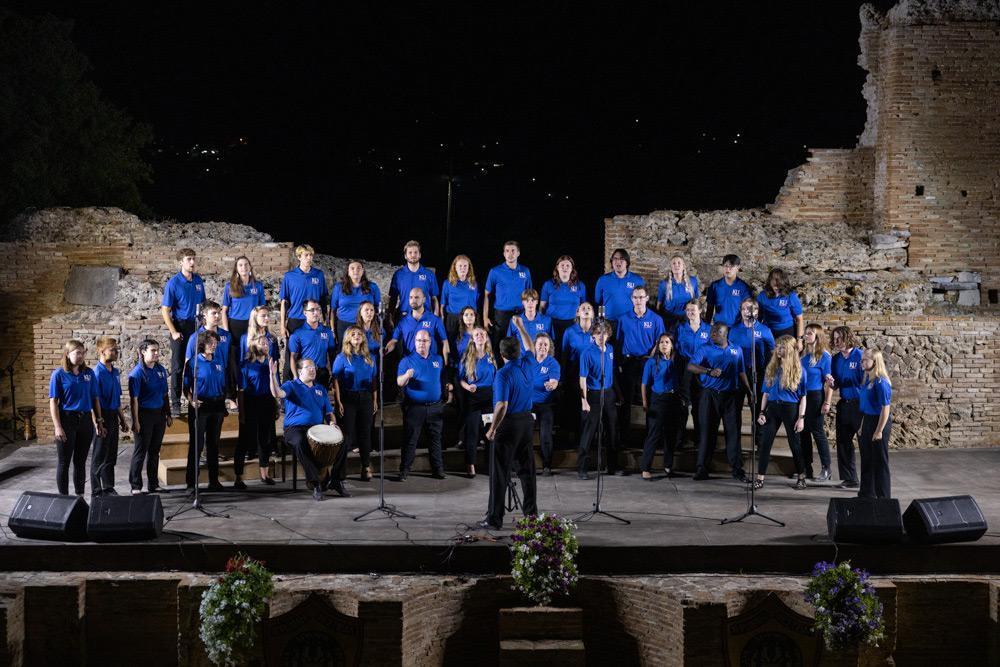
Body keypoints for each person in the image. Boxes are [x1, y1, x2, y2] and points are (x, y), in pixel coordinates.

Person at [480, 316, 540, 530]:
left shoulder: (502, 374)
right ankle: (531, 516)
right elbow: (531, 347)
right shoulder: (528, 363)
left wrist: (492, 429)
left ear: (502, 354)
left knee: (499, 473)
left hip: (509, 425)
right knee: (527, 471)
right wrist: (521, 327)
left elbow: (501, 406)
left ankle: (494, 519)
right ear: (518, 351)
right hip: (526, 422)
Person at [269, 357, 347, 501]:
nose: (312, 369)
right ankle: (316, 483)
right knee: (300, 441)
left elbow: (329, 413)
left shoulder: (320, 389)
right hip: (294, 429)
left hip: (317, 428)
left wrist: (332, 423)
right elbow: (277, 393)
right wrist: (272, 375)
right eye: (308, 367)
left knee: (343, 440)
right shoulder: (292, 385)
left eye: (314, 367)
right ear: (299, 371)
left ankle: (336, 480)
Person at [688, 323, 751, 482]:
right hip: (710, 395)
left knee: (733, 433)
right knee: (707, 433)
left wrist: (749, 390)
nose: (713, 334)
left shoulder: (737, 350)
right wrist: (708, 371)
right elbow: (691, 366)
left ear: (725, 334)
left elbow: (741, 371)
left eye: (717, 332)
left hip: (730, 396)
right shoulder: (705, 348)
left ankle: (737, 469)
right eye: (712, 331)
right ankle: (702, 469)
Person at [183, 331, 236, 492]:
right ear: (202, 344)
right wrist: (191, 400)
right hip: (201, 406)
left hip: (217, 406)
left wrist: (226, 400)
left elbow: (223, 384)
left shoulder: (219, 361)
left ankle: (214, 481)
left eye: (215, 342)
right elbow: (186, 387)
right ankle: (192, 483)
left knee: (214, 444)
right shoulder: (193, 363)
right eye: (210, 342)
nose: (214, 345)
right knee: (197, 445)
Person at [49, 340, 101, 495]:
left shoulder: (89, 373)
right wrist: (58, 426)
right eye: (77, 353)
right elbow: (53, 402)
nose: (81, 356)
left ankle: (80, 496)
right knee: (64, 462)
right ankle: (63, 498)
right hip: (67, 420)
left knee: (80, 462)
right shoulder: (59, 374)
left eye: (83, 353)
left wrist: (98, 421)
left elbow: (95, 399)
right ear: (67, 354)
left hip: (85, 420)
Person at [755, 336, 807, 490]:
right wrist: (761, 412)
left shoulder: (800, 371)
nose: (778, 350)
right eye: (777, 346)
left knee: (795, 444)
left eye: (782, 347)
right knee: (765, 443)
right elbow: (765, 394)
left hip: (790, 409)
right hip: (772, 408)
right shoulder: (772, 368)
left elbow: (803, 397)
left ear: (790, 349)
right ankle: (760, 478)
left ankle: (801, 477)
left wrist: (801, 418)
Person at [615, 285, 666, 443]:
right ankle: (623, 438)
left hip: (647, 362)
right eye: (635, 297)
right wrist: (620, 363)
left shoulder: (656, 319)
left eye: (641, 297)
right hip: (629, 362)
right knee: (626, 400)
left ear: (647, 298)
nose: (638, 300)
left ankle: (651, 438)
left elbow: (660, 341)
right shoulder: (623, 319)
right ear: (632, 299)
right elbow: (619, 341)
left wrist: (652, 358)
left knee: (649, 399)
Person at [396, 329, 447, 480]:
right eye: (418, 340)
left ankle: (438, 470)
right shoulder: (407, 361)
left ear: (430, 342)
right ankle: (404, 470)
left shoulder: (438, 359)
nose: (421, 343)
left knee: (435, 440)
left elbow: (441, 378)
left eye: (425, 341)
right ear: (414, 342)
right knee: (410, 440)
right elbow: (399, 382)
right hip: (415, 408)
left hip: (435, 406)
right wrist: (407, 375)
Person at [161, 248, 206, 416]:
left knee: (196, 364)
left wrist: (204, 326)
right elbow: (165, 310)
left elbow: (203, 305)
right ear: (181, 262)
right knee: (178, 366)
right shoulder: (173, 283)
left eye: (194, 258)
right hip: (179, 327)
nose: (192, 262)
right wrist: (173, 331)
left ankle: (195, 399)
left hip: (196, 327)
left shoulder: (198, 280)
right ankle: (175, 403)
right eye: (189, 259)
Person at [728, 297, 775, 447]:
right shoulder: (733, 330)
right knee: (735, 409)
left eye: (750, 309)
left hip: (757, 373)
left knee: (757, 408)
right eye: (744, 309)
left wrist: (770, 372)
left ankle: (759, 444)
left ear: (756, 311)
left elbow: (774, 353)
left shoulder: (764, 330)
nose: (746, 312)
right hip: (738, 374)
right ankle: (735, 447)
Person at [578, 320, 622, 479]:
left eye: (604, 333)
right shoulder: (587, 353)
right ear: (593, 335)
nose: (601, 336)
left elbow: (611, 373)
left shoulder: (610, 349)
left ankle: (612, 467)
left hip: (608, 394)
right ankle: (582, 469)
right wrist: (584, 400)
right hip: (594, 395)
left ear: (608, 334)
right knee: (589, 432)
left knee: (612, 431)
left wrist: (618, 394)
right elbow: (582, 379)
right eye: (598, 333)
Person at [332, 327, 377, 481]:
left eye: (359, 334)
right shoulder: (342, 358)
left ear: (363, 338)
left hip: (366, 398)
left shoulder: (370, 357)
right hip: (348, 398)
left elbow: (374, 380)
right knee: (347, 435)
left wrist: (375, 400)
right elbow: (336, 380)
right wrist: (338, 401)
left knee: (365, 434)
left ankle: (365, 467)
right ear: (348, 338)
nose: (357, 336)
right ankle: (341, 471)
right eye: (353, 334)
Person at [279, 244, 329, 380]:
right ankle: (288, 387)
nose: (309, 258)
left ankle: (313, 386)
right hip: (295, 320)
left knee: (312, 355)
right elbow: (284, 302)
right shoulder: (289, 276)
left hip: (314, 320)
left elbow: (323, 299)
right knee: (291, 356)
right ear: (299, 257)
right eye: (306, 255)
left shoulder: (318, 275)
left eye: (311, 255)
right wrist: (282, 325)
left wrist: (325, 319)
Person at [128, 339, 171, 494]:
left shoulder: (161, 370)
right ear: (143, 352)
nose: (156, 353)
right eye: (153, 350)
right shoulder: (137, 373)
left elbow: (165, 394)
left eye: (157, 350)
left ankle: (153, 484)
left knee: (154, 451)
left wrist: (168, 413)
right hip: (144, 415)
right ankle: (136, 486)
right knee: (141, 451)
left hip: (159, 414)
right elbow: (134, 400)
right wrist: (135, 421)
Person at [235, 336, 277, 489]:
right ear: (254, 346)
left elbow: (275, 386)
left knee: (265, 439)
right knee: (244, 440)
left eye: (267, 343)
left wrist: (276, 405)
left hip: (267, 402)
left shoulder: (270, 363)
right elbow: (241, 391)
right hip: (251, 402)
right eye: (262, 343)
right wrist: (242, 413)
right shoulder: (246, 365)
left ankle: (265, 474)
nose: (266, 345)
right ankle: (238, 477)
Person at [640, 334, 682, 479]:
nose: (664, 345)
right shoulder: (651, 362)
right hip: (658, 400)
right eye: (661, 342)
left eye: (667, 342)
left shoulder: (676, 361)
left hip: (673, 400)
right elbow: (644, 384)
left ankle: (668, 466)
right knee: (653, 434)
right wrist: (645, 402)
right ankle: (645, 468)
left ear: (672, 345)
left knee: (671, 435)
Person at [457, 326, 496, 477]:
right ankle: (470, 464)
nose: (480, 336)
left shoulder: (492, 356)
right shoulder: (467, 357)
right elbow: (461, 379)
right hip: (473, 397)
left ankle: (490, 465)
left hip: (489, 396)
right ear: (472, 339)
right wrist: (468, 386)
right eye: (477, 334)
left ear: (486, 337)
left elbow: (497, 376)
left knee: (490, 432)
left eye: (482, 334)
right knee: (472, 432)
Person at [91, 337, 127, 496]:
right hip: (102, 415)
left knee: (111, 454)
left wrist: (122, 419)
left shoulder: (115, 372)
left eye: (116, 349)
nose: (116, 352)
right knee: (99, 454)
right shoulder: (96, 373)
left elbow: (117, 398)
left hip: (113, 415)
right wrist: (98, 422)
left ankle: (108, 487)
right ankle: (96, 490)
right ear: (101, 351)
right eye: (112, 350)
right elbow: (94, 401)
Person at [829, 326, 864, 489]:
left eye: (840, 338)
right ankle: (850, 479)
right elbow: (836, 385)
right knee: (843, 443)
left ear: (848, 338)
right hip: (844, 404)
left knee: (864, 443)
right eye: (834, 338)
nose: (836, 342)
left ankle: (869, 480)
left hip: (860, 405)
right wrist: (832, 383)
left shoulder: (860, 356)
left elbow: (866, 380)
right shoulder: (835, 359)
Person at [221, 255, 266, 379]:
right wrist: (226, 331)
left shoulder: (258, 286)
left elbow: (262, 310)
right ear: (236, 268)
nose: (244, 267)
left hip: (252, 326)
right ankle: (235, 387)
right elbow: (224, 311)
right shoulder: (229, 286)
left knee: (252, 356)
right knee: (235, 359)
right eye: (240, 265)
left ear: (250, 267)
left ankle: (250, 386)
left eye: (246, 264)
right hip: (235, 326)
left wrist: (262, 328)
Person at [674, 299, 711, 448]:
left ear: (700, 310)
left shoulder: (708, 329)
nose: (690, 312)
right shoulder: (680, 328)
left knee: (699, 405)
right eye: (687, 310)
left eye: (693, 310)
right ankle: (679, 440)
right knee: (682, 404)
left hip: (701, 368)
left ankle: (699, 440)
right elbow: (675, 348)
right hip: (685, 367)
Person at [484, 240, 532, 352]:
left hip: (520, 313)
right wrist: (485, 318)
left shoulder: (525, 271)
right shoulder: (495, 271)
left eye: (513, 251)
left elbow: (529, 295)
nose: (510, 254)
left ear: (518, 253)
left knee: (521, 345)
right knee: (500, 346)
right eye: (507, 251)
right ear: (504, 254)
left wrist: (530, 314)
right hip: (502, 315)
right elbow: (486, 295)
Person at [858, 348, 893, 499]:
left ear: (875, 362)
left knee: (880, 462)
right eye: (862, 359)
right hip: (867, 420)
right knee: (867, 459)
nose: (862, 362)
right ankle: (866, 494)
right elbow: (866, 407)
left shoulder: (881, 382)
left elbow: (885, 409)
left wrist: (878, 431)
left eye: (865, 360)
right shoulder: (868, 380)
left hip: (879, 422)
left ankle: (883, 498)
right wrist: (862, 426)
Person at [800, 323, 833, 481]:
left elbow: (830, 382)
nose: (806, 336)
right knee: (803, 432)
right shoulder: (804, 356)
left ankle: (826, 468)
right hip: (802, 397)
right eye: (805, 333)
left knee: (818, 432)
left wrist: (827, 402)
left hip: (815, 397)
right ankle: (807, 467)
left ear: (817, 336)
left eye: (810, 333)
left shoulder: (825, 356)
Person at [560, 302, 596, 444]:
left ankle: (588, 437)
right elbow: (564, 355)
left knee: (590, 404)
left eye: (589, 308)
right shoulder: (569, 332)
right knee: (575, 404)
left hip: (592, 372)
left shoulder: (597, 331)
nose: (586, 310)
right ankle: (574, 437)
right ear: (577, 313)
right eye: (583, 308)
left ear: (593, 313)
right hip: (574, 371)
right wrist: (562, 377)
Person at [386, 288, 450, 361]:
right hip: (410, 363)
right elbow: (394, 341)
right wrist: (385, 350)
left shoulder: (435, 320)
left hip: (429, 362)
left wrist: (446, 363)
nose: (413, 300)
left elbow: (445, 342)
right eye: (411, 297)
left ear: (424, 299)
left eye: (416, 297)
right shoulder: (403, 322)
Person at [540, 255, 586, 351]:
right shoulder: (548, 284)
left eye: (568, 265)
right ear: (557, 267)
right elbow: (542, 307)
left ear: (572, 268)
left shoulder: (580, 285)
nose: (565, 268)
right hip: (552, 324)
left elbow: (584, 307)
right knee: (554, 351)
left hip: (572, 324)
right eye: (562, 265)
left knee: (570, 352)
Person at [530, 332, 561, 475]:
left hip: (545, 404)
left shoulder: (552, 363)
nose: (543, 347)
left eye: (546, 344)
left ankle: (547, 465)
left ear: (549, 347)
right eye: (540, 344)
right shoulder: (528, 360)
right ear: (534, 346)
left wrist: (552, 385)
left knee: (545, 435)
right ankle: (524, 465)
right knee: (525, 434)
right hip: (529, 404)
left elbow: (554, 381)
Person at [288, 299, 337, 388]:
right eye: (312, 310)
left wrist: (334, 375)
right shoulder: (297, 334)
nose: (316, 312)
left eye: (318, 309)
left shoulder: (327, 331)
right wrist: (296, 377)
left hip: (322, 374)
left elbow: (332, 355)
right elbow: (293, 357)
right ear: (305, 313)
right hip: (306, 374)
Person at [330, 259, 382, 343]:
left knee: (364, 349)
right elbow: (333, 310)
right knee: (345, 349)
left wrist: (376, 326)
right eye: (352, 268)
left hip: (366, 325)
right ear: (348, 271)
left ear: (363, 271)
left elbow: (378, 307)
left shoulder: (372, 287)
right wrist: (332, 330)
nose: (356, 271)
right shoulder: (338, 287)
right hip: (344, 325)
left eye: (359, 268)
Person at [388, 240, 439, 319]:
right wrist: (390, 317)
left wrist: (436, 319)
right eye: (410, 252)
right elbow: (393, 299)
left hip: (424, 318)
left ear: (420, 255)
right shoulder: (398, 275)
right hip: (404, 317)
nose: (413, 255)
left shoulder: (429, 274)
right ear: (405, 256)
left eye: (415, 252)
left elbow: (434, 299)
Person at [594, 248, 645, 324]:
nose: (618, 261)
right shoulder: (603, 280)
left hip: (630, 322)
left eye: (622, 259)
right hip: (608, 322)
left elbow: (642, 302)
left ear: (627, 262)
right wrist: (601, 321)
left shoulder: (637, 280)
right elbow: (598, 303)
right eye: (615, 259)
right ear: (612, 262)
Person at [757, 268, 804, 344]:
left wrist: (800, 340)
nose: (776, 286)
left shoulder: (791, 296)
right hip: (768, 331)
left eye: (779, 284)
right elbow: (758, 317)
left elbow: (799, 319)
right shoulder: (762, 296)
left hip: (787, 331)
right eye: (774, 283)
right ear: (770, 281)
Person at [705, 254, 753, 328]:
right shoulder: (715, 286)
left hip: (737, 327)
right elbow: (709, 309)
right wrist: (706, 327)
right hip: (719, 327)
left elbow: (748, 310)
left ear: (738, 268)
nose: (728, 269)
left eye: (731, 266)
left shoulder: (744, 287)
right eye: (725, 266)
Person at [185, 300, 233, 374]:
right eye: (214, 313)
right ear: (205, 315)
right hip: (204, 377)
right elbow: (188, 363)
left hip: (223, 377)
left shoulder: (227, 335)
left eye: (219, 312)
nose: (217, 316)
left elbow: (230, 360)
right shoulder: (195, 337)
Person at [440, 254, 479, 342]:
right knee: (452, 343)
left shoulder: (474, 284)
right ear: (455, 268)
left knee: (469, 343)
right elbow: (442, 305)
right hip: (453, 319)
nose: (463, 268)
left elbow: (476, 301)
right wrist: (441, 321)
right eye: (460, 266)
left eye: (465, 266)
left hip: (469, 318)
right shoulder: (447, 283)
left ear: (469, 268)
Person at [656, 255, 699, 331]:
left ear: (683, 266)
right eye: (674, 263)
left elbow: (696, 301)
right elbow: (659, 305)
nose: (676, 265)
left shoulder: (693, 281)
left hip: (687, 319)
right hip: (669, 319)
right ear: (671, 267)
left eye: (679, 263)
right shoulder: (664, 284)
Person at [507, 288, 552, 353]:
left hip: (539, 356)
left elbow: (551, 343)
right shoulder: (515, 321)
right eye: (527, 300)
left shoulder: (547, 320)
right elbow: (509, 343)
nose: (530, 303)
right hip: (521, 357)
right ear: (522, 302)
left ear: (537, 302)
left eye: (533, 300)